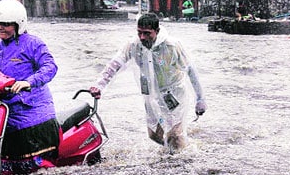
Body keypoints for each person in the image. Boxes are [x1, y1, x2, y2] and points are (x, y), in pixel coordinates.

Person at [89, 13, 207, 154]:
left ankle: (180, 163)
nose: (142, 37)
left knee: (174, 135)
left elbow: (191, 71)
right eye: (139, 32)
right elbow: (114, 64)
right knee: (154, 135)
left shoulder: (172, 46)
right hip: (150, 96)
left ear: (157, 31)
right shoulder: (134, 45)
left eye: (147, 33)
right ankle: (175, 151)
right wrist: (100, 85)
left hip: (174, 95)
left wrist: (200, 99)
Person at [0, 0, 59, 173]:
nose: (0, 28)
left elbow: (50, 67)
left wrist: (29, 82)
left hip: (32, 113)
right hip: (6, 114)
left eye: (5, 24)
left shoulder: (33, 44)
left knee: (35, 170)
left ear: (18, 24)